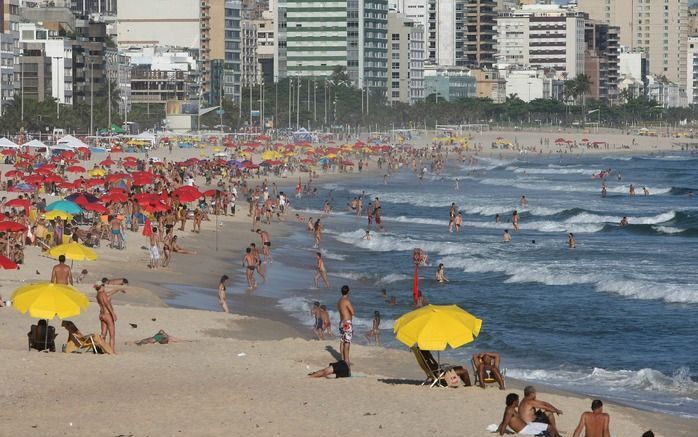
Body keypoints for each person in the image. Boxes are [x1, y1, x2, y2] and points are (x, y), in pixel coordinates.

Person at [95, 282, 126, 354]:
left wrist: (119, 289)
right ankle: (112, 351)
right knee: (112, 334)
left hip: (101, 315)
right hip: (107, 314)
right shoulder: (103, 294)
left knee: (103, 334)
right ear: (102, 286)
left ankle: (100, 348)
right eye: (104, 286)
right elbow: (107, 304)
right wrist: (113, 314)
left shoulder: (98, 295)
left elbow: (110, 293)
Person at [337, 285, 354, 365]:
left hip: (341, 322)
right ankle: (346, 361)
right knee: (347, 342)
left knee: (342, 341)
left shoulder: (339, 301)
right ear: (348, 292)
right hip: (347, 323)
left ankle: (342, 359)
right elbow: (353, 312)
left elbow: (341, 312)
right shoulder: (346, 301)